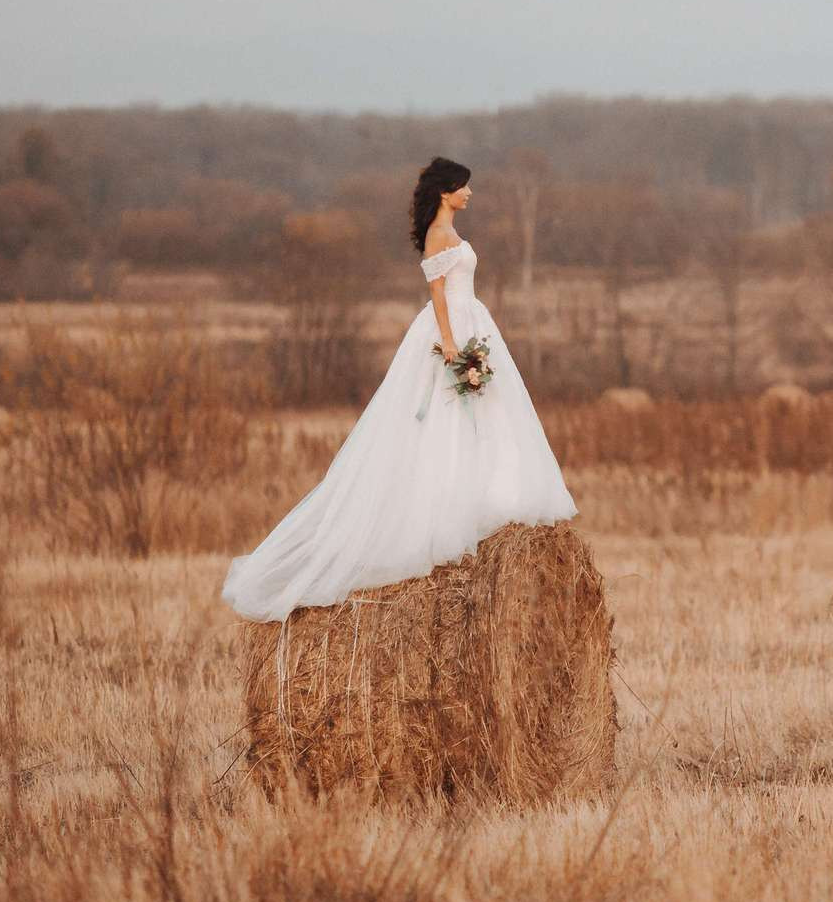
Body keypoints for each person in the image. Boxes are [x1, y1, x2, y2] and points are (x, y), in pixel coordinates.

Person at [222, 157, 577, 620]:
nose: (470, 193)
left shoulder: (449, 232)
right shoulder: (437, 235)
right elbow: (437, 294)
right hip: (453, 326)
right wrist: (449, 343)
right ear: (446, 191)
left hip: (473, 321)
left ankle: (487, 496)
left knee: (487, 418)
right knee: (448, 419)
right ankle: (450, 512)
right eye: (464, 187)